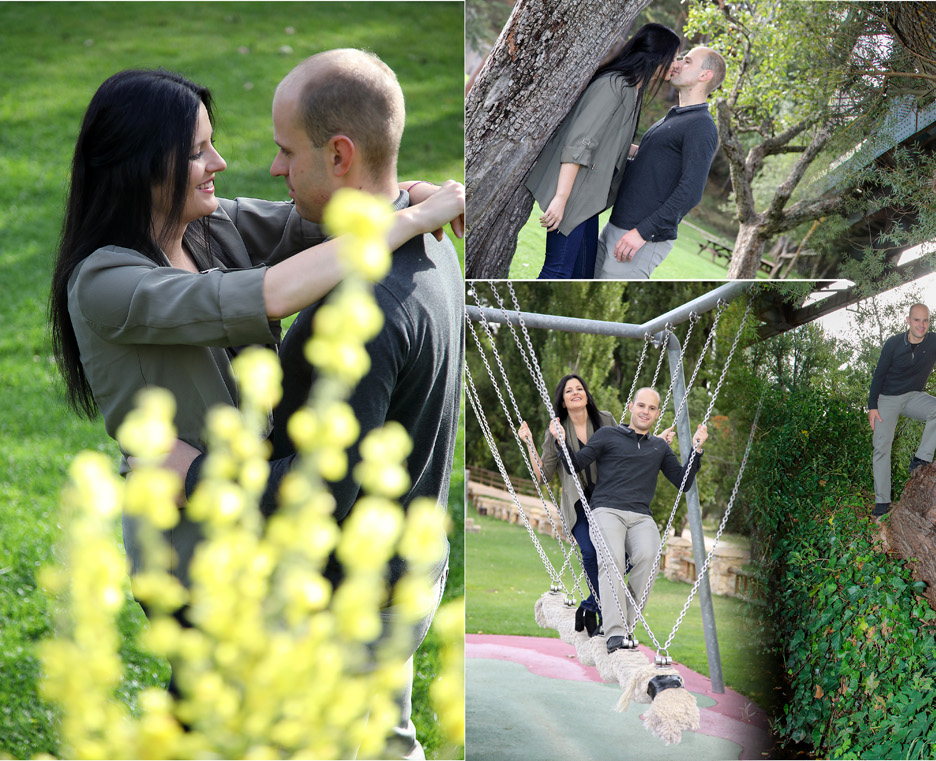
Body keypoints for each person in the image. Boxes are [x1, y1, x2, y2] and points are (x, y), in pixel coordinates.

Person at [156, 49, 462, 759]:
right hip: (407, 574)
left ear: (341, 155)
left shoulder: (363, 304)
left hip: (350, 612)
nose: (270, 168)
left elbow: (320, 493)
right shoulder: (432, 239)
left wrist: (190, 472)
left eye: (284, 151)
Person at [51, 68, 462, 587]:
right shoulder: (104, 282)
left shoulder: (207, 223)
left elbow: (324, 218)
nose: (218, 163)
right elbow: (274, 291)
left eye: (211, 144)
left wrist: (412, 192)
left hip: (250, 518)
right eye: (198, 151)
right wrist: (409, 221)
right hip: (188, 541)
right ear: (142, 164)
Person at [553, 387, 708, 653]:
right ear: (631, 406)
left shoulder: (659, 447)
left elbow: (683, 482)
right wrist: (560, 440)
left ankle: (623, 625)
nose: (645, 412)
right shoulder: (608, 435)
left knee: (648, 559)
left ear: (657, 413)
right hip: (606, 510)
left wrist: (696, 450)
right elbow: (574, 463)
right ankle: (614, 633)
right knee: (611, 560)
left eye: (652, 408)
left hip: (640, 516)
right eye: (641, 406)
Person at [524, 23, 680, 279]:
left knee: (582, 274)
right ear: (657, 54)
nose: (676, 63)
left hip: (588, 200)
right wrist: (561, 198)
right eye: (673, 56)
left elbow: (608, 142)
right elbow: (579, 143)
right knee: (558, 273)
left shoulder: (631, 90)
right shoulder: (614, 86)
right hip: (574, 195)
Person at [596, 45, 725, 279]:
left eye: (687, 61)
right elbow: (650, 162)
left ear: (705, 75)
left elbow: (691, 192)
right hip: (617, 226)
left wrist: (642, 233)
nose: (676, 63)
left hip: (639, 240)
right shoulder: (676, 116)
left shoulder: (701, 126)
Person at [517, 375, 620, 637]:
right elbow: (542, 476)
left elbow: (624, 452)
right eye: (568, 391)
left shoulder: (605, 420)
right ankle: (599, 611)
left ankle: (590, 605)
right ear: (562, 401)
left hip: (607, 500)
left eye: (579, 388)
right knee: (589, 553)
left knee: (623, 557)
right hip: (578, 505)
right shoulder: (556, 430)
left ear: (586, 394)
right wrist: (529, 443)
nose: (575, 392)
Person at [868, 304, 936, 517]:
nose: (921, 325)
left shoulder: (934, 341)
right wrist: (872, 407)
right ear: (908, 321)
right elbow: (878, 375)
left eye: (925, 321)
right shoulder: (893, 343)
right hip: (887, 398)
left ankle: (921, 458)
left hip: (913, 396)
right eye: (916, 320)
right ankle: (882, 501)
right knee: (881, 447)